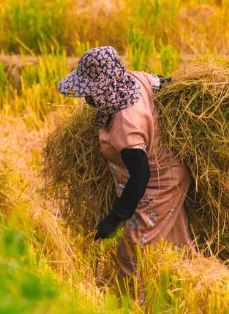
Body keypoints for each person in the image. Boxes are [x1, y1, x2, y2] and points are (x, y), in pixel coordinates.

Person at [57, 46, 192, 296]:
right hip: (162, 170)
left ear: (103, 89)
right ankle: (178, 289)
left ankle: (132, 305)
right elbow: (165, 82)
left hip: (160, 184)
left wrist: (115, 217)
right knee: (170, 239)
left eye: (89, 92)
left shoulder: (127, 125)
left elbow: (141, 176)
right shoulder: (133, 79)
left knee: (135, 246)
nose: (86, 99)